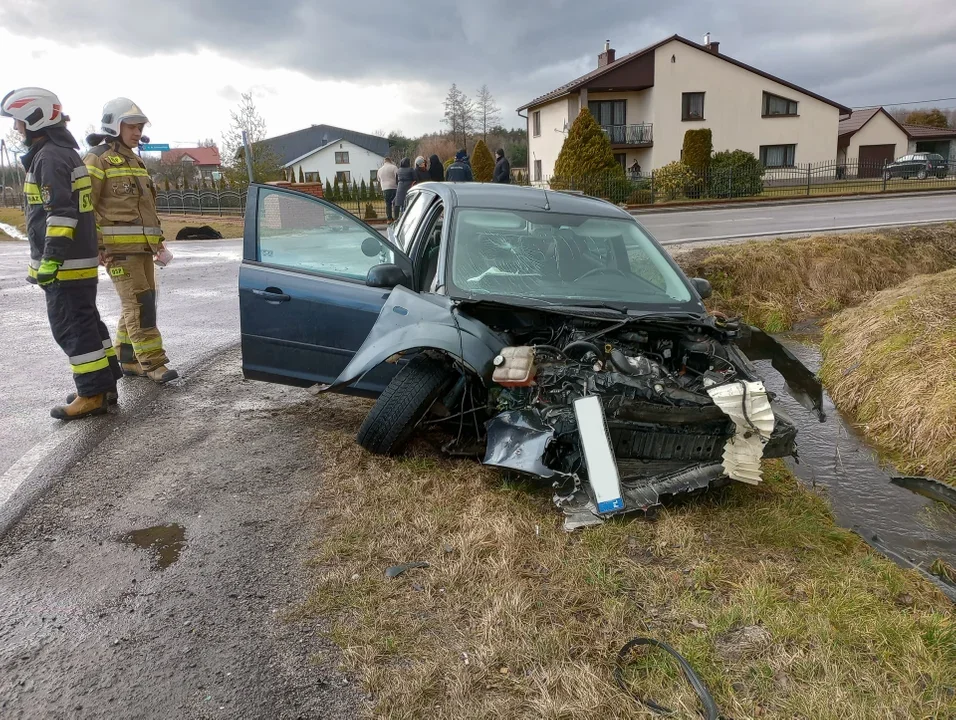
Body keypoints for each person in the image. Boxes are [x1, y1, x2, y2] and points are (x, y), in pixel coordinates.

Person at [2, 87, 122, 420]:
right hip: (76, 260)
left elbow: (60, 214)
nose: (16, 129)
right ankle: (104, 382)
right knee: (86, 322)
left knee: (71, 326)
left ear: (33, 118)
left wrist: (50, 260)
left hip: (65, 263)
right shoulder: (63, 153)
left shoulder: (50, 157)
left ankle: (92, 394)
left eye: (18, 122)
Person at [84, 98, 178, 384]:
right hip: (118, 252)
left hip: (142, 249)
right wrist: (98, 247)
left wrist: (157, 241)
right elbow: (85, 205)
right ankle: (153, 363)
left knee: (140, 302)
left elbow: (145, 207)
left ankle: (128, 359)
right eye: (132, 127)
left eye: (140, 128)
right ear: (115, 126)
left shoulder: (135, 160)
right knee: (139, 305)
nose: (137, 133)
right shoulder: (96, 158)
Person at [376, 157, 398, 223]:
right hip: (394, 187)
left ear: (384, 162)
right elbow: (397, 176)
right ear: (390, 161)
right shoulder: (394, 167)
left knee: (388, 204)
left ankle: (389, 219)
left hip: (385, 189)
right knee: (395, 204)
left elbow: (378, 180)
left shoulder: (379, 170)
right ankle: (396, 218)